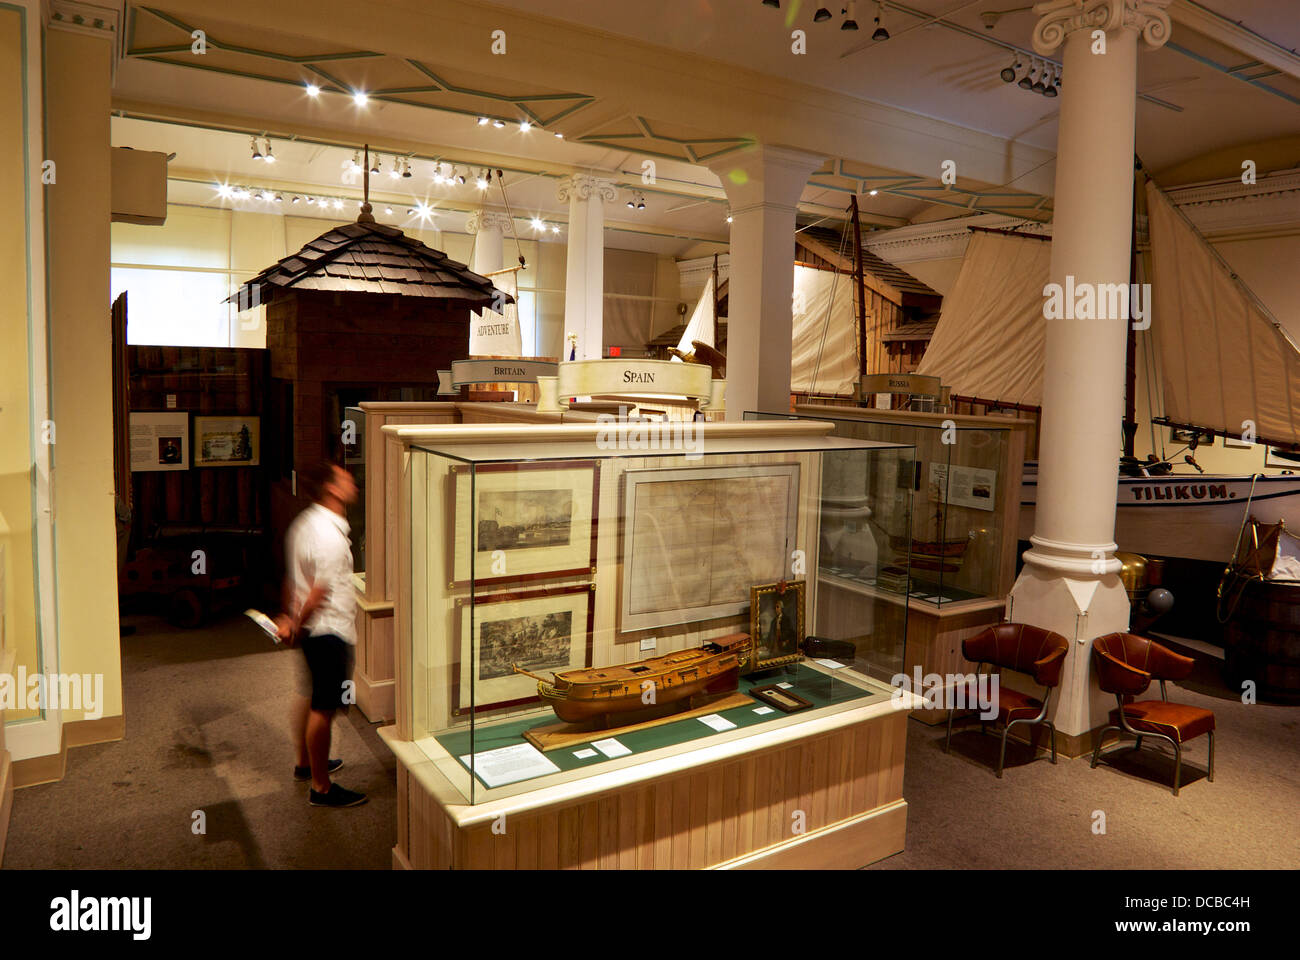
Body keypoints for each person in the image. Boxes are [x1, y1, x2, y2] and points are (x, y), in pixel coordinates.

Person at [277, 460, 367, 807]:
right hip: (330, 630)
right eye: (347, 480)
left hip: (316, 630)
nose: (353, 484)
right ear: (332, 488)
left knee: (310, 695)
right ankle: (321, 787)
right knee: (324, 709)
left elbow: (293, 577)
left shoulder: (305, 523)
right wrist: (297, 625)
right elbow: (318, 592)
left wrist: (290, 616)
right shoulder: (328, 536)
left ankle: (305, 763)